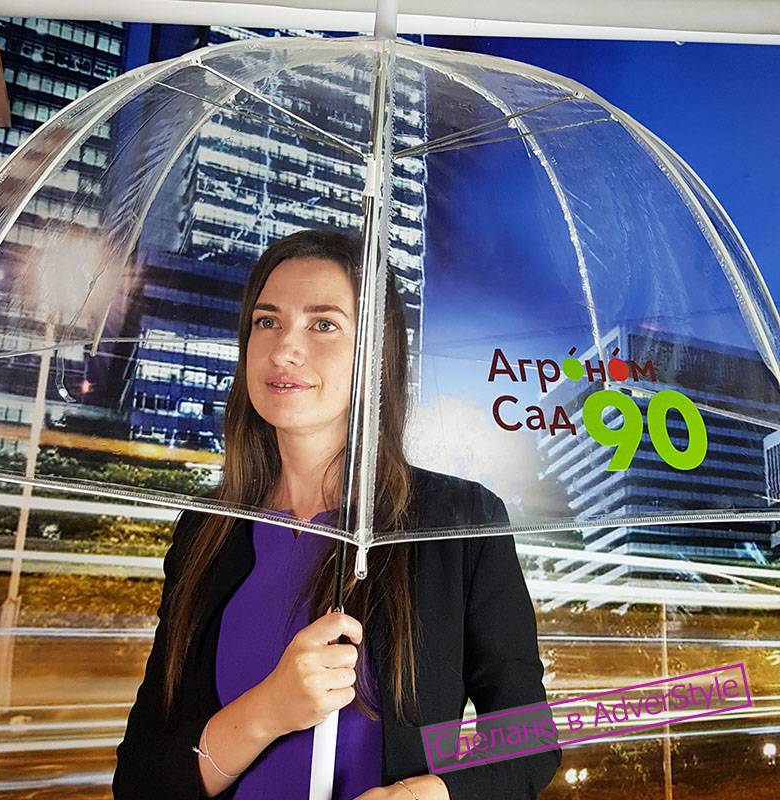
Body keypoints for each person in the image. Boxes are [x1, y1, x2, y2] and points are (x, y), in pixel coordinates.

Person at [112, 228, 560, 800]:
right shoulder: (208, 532)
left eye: (323, 324)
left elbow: (526, 739)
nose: (283, 350)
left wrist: (424, 795)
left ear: (376, 355)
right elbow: (140, 779)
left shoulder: (460, 521)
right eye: (266, 321)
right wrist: (267, 711)